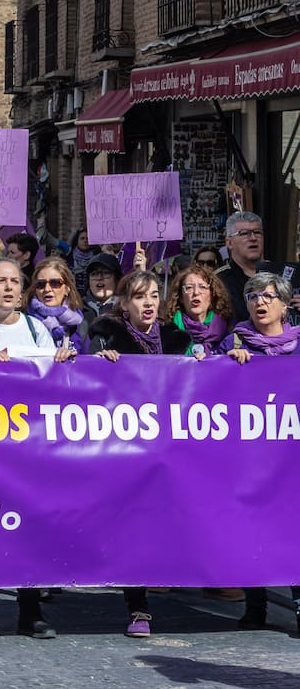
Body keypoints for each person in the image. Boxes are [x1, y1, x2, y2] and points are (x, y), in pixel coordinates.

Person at [0, 258, 72, 640]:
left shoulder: (37, 329)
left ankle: (30, 609)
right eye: (0, 281)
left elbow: (51, 385)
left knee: (29, 527)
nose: (8, 288)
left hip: (28, 449)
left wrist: (60, 363)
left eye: (14, 282)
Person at [89, 270, 191, 638]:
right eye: (138, 297)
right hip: (127, 447)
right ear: (124, 303)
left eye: (152, 296)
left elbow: (204, 376)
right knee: (133, 525)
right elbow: (86, 375)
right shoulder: (107, 335)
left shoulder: (178, 339)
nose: (147, 304)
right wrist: (98, 360)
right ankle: (138, 608)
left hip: (172, 446)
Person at [217, 272, 300, 631]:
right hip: (249, 458)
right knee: (252, 530)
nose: (259, 303)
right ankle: (255, 605)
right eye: (252, 296)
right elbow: (199, 374)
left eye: (267, 296)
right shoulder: (234, 342)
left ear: (284, 304)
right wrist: (224, 365)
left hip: (291, 458)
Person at [162, 263, 234, 359]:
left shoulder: (228, 329)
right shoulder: (167, 332)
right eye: (189, 288)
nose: (196, 293)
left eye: (203, 287)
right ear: (181, 297)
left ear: (212, 295)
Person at [23, 257, 87, 351]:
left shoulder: (81, 326)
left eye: (55, 283)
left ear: (67, 289)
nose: (47, 289)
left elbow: (91, 360)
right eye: (40, 284)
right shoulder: (25, 323)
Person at [217, 212, 265, 322]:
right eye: (244, 233)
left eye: (257, 232)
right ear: (229, 243)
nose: (253, 238)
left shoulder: (278, 274)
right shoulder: (218, 280)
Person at [81, 253, 121, 324]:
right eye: (94, 274)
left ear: (117, 279)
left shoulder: (126, 308)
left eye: (106, 273)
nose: (99, 278)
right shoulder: (78, 309)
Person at [67, 228, 97, 295]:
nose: (85, 241)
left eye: (87, 238)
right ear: (77, 240)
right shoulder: (68, 256)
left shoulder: (97, 257)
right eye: (82, 238)